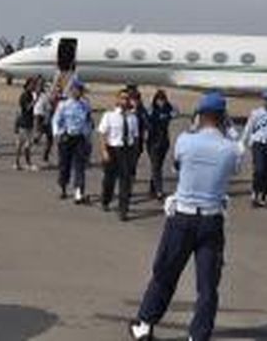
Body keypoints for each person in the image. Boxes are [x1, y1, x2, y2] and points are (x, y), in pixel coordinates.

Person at [129, 92, 240, 341]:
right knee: (208, 286)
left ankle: (145, 324)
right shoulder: (230, 148)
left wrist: (194, 129)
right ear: (223, 117)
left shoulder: (185, 141)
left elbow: (177, 165)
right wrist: (230, 133)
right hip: (211, 220)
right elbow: (236, 166)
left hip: (183, 217)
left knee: (166, 273)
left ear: (200, 115)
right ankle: (198, 336)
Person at [98, 88, 139, 221]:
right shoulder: (109, 115)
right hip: (112, 149)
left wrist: (135, 153)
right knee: (109, 179)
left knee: (125, 181)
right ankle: (106, 200)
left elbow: (135, 136)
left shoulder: (133, 117)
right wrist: (104, 151)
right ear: (117, 99)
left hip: (126, 151)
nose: (125, 100)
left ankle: (123, 210)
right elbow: (103, 133)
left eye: (127, 98)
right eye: (122, 98)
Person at [52, 77, 92, 202]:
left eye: (81, 90)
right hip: (66, 138)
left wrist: (87, 136)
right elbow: (56, 120)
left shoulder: (85, 105)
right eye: (77, 90)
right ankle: (63, 187)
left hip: (80, 138)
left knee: (80, 166)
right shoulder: (63, 105)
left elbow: (88, 121)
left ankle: (78, 192)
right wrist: (58, 134)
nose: (79, 92)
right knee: (64, 164)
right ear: (72, 90)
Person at [146, 89, 178, 200]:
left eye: (163, 99)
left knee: (158, 166)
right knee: (156, 166)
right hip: (153, 141)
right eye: (159, 100)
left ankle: (152, 189)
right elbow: (146, 117)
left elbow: (176, 112)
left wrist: (168, 108)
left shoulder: (168, 109)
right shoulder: (151, 110)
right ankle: (159, 190)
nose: (161, 102)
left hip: (164, 141)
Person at [14, 77, 37, 171]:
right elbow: (26, 108)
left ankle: (18, 163)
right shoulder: (24, 96)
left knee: (24, 144)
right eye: (32, 84)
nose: (33, 86)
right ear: (27, 85)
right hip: (24, 123)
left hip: (28, 122)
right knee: (25, 144)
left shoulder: (30, 95)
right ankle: (26, 163)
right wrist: (34, 101)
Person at [33, 81, 56, 166]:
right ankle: (33, 158)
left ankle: (45, 158)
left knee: (50, 140)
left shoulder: (48, 98)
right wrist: (39, 126)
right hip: (42, 120)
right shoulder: (43, 98)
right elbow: (38, 112)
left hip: (47, 120)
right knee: (38, 139)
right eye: (51, 89)